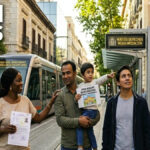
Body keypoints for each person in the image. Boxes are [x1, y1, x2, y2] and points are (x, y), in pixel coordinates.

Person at [0, 68, 59, 150]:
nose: (22, 83)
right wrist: (3, 129)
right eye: (18, 80)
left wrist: (51, 102)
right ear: (10, 84)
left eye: (21, 80)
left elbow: (38, 118)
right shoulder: (1, 103)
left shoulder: (25, 100)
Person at [54, 61, 100, 150]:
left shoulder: (86, 90)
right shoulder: (60, 95)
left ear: (75, 73)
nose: (65, 76)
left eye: (68, 73)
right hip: (68, 146)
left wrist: (89, 122)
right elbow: (60, 120)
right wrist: (79, 121)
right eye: (63, 74)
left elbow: (96, 114)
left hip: (86, 145)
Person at [102, 65, 150, 150]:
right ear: (118, 82)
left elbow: (147, 129)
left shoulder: (141, 102)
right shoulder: (111, 103)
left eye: (129, 76)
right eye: (123, 76)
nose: (127, 78)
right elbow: (106, 129)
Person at [75, 63, 114, 150]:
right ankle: (95, 147)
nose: (90, 74)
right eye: (88, 72)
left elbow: (101, 79)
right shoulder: (80, 86)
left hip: (92, 111)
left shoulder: (94, 82)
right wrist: (76, 98)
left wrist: (108, 75)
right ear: (82, 75)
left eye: (92, 72)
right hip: (86, 111)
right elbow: (78, 98)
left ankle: (80, 146)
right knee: (90, 131)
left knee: (79, 125)